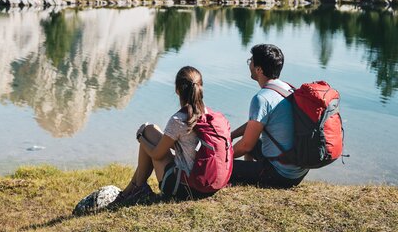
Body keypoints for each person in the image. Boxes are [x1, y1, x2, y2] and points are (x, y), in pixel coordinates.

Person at [113, 66, 213, 204]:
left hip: (184, 187)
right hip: (205, 181)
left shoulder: (178, 120)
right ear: (200, 87)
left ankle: (134, 189)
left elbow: (156, 155)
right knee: (151, 132)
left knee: (147, 135)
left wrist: (140, 137)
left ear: (177, 90)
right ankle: (133, 188)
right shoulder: (207, 114)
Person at [230, 44, 309, 188]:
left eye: (251, 61)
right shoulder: (288, 88)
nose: (249, 64)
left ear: (258, 69)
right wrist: (232, 135)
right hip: (298, 169)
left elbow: (246, 146)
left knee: (223, 167)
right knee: (251, 142)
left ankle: (249, 175)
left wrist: (222, 158)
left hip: (280, 174)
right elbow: (255, 124)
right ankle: (249, 175)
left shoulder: (262, 98)